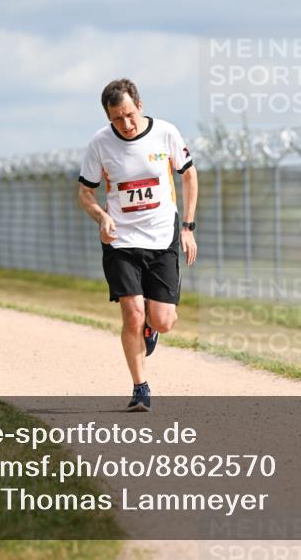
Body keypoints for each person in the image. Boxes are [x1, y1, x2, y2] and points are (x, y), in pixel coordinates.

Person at [78, 78, 198, 412]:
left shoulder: (166, 133)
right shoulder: (100, 144)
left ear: (140, 106)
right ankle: (140, 388)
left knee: (162, 320)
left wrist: (187, 226)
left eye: (130, 114)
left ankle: (151, 328)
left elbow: (189, 176)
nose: (126, 124)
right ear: (108, 117)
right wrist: (101, 217)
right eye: (117, 118)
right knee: (132, 313)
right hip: (121, 240)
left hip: (162, 236)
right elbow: (85, 193)